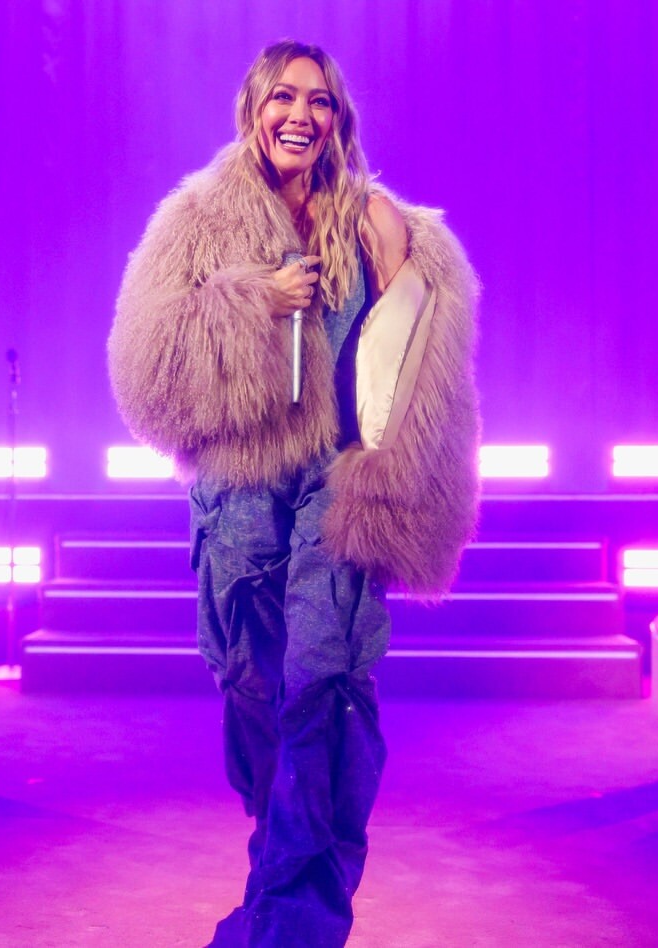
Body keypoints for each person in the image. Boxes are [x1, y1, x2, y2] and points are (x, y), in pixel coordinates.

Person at [109, 40, 479, 947]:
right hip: (240, 491)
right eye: (284, 96)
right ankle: (275, 884)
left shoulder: (375, 219)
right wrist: (252, 301)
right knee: (253, 689)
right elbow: (143, 374)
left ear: (338, 118)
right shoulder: (196, 218)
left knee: (325, 687)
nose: (301, 115)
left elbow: (422, 362)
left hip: (336, 491)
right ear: (254, 109)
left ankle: (290, 926)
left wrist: (406, 280)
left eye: (319, 101)